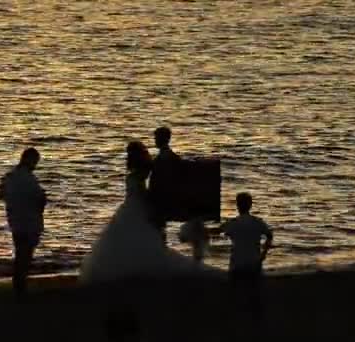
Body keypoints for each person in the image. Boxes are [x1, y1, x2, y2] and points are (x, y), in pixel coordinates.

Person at [79, 141, 221, 285]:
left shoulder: (138, 173)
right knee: (135, 239)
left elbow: (142, 191)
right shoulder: (138, 172)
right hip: (133, 207)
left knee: (132, 240)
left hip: (133, 208)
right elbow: (142, 191)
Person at [0, 147, 47, 298]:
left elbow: (1, 194)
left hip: (16, 221)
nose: (35, 165)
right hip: (29, 222)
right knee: (25, 255)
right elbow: (40, 200)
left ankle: (19, 285)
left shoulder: (9, 177)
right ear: (29, 160)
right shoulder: (30, 179)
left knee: (20, 253)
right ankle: (20, 287)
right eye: (35, 161)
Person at [220, 192, 273, 322]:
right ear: (251, 205)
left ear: (237, 205)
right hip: (254, 262)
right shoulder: (257, 222)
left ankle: (233, 319)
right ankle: (256, 320)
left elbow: (219, 231)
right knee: (255, 294)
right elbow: (269, 235)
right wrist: (264, 254)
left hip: (237, 264)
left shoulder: (233, 223)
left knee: (233, 293)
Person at [148, 126, 181, 245]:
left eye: (156, 137)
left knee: (159, 229)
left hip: (161, 199)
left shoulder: (169, 157)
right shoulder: (165, 156)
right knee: (158, 229)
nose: (154, 140)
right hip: (158, 199)